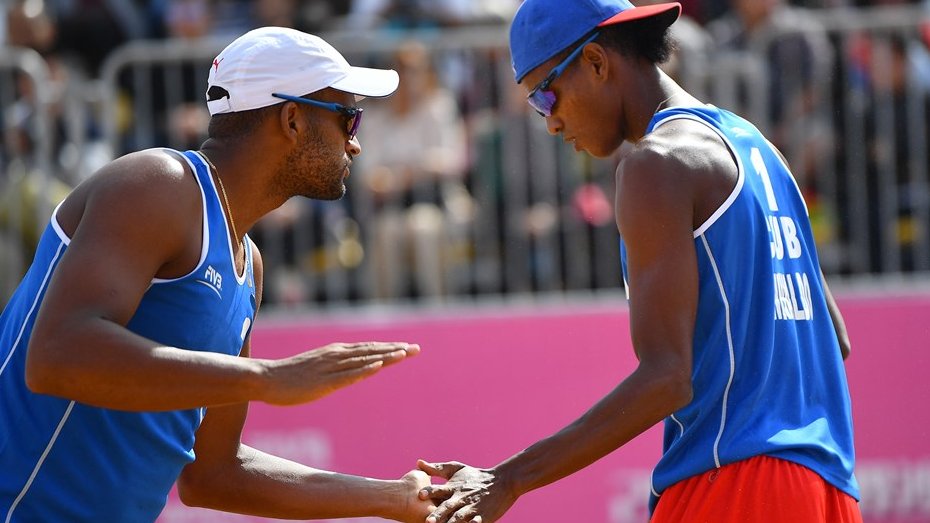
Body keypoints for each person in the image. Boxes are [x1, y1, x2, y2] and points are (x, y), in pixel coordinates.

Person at [415, 1, 862, 522]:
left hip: (737, 480)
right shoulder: (759, 146)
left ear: (598, 63)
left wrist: (508, 478)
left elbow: (667, 379)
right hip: (828, 489)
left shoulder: (654, 164)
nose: (551, 122)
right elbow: (836, 337)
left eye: (544, 95)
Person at [0, 26, 436, 522]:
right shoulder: (159, 184)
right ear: (292, 119)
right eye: (349, 119)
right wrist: (266, 378)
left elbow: (214, 475)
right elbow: (56, 355)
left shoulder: (247, 262)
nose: (355, 145)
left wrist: (393, 499)